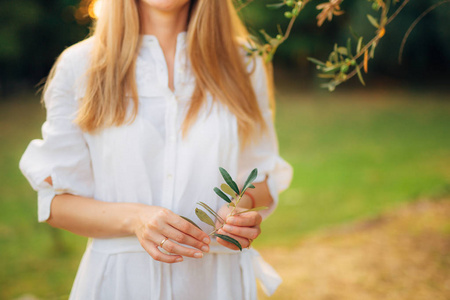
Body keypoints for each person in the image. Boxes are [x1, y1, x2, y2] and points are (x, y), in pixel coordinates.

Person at [19, 0, 293, 299]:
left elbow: (262, 173)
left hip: (216, 284)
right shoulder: (80, 65)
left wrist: (240, 208)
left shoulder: (244, 61)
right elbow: (54, 204)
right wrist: (135, 218)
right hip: (120, 284)